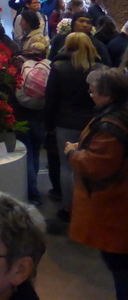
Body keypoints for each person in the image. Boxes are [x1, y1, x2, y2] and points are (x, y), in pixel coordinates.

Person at [66, 67, 128, 299]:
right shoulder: (119, 114)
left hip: (115, 206)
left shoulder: (110, 125)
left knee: (120, 266)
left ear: (107, 94)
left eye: (93, 92)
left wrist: (73, 153)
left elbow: (97, 166)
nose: (90, 95)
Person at [45, 31, 103, 216]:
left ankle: (69, 207)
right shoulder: (100, 68)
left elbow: (51, 99)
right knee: (91, 165)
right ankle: (89, 206)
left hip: (65, 122)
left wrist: (49, 125)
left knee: (67, 165)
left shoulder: (58, 67)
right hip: (93, 122)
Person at [14, 38, 51, 205]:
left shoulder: (19, 65)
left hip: (21, 116)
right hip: (40, 116)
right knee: (35, 154)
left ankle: (29, 192)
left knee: (26, 154)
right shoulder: (50, 66)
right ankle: (35, 191)